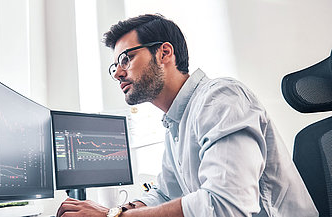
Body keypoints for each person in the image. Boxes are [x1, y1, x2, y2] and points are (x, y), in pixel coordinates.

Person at [56, 14, 318, 217]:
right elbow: (164, 193)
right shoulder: (176, 123)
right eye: (115, 65)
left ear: (164, 53)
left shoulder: (221, 98)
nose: (117, 73)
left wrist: (112, 215)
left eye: (126, 58)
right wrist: (122, 210)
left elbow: (224, 206)